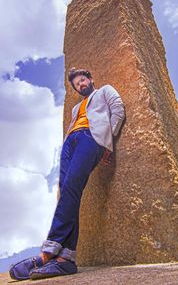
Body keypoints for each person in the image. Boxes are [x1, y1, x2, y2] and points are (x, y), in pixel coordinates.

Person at [9, 67, 126, 280]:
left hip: (91, 138)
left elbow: (118, 109)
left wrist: (108, 143)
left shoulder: (105, 91)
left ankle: (47, 253)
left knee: (72, 187)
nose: (80, 85)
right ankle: (65, 260)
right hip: (70, 143)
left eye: (82, 80)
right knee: (67, 195)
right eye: (77, 84)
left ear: (91, 79)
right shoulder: (75, 109)